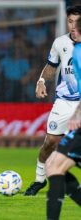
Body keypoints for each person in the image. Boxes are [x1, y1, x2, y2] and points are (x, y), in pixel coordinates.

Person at [24, 5, 81, 196]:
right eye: (70, 21)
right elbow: (51, 66)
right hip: (64, 102)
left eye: (77, 21)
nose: (73, 25)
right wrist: (41, 81)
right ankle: (39, 180)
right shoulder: (60, 42)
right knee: (50, 142)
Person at [45, 16, 81, 220]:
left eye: (77, 27)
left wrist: (77, 114)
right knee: (54, 165)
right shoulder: (73, 51)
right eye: (71, 26)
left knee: (54, 166)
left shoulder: (79, 53)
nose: (73, 30)